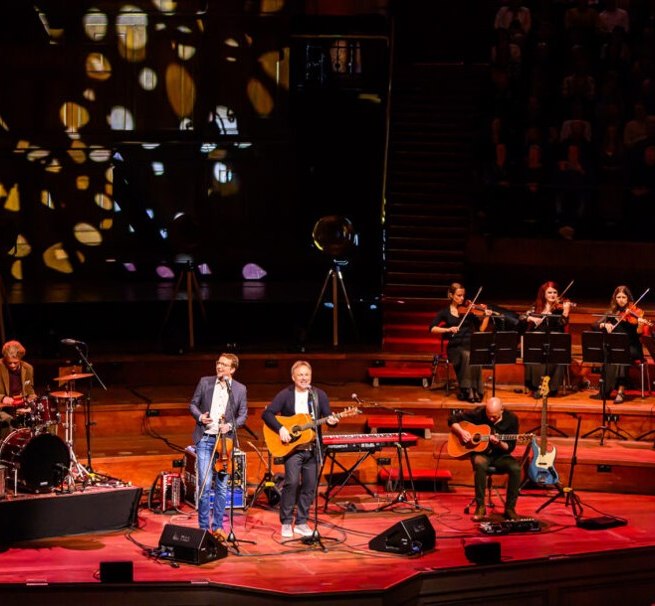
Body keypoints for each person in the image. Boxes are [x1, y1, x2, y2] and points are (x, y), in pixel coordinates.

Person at [262, 360, 338, 538]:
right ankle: (286, 522)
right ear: (293, 377)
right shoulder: (286, 394)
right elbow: (267, 414)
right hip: (293, 449)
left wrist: (332, 421)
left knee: (310, 486)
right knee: (292, 483)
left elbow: (328, 416)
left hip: (313, 448)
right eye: (300, 375)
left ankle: (302, 522)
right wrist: (281, 429)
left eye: (307, 375)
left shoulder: (319, 395)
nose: (304, 378)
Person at [189, 353, 248, 538]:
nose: (219, 367)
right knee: (205, 484)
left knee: (222, 487)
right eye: (218, 363)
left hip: (225, 443)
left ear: (232, 369)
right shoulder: (205, 382)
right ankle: (203, 528)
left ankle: (217, 527)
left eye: (224, 364)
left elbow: (242, 415)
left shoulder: (239, 389)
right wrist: (200, 416)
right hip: (205, 439)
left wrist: (230, 425)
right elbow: (193, 404)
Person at [449, 397, 522, 521]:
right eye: (489, 416)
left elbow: (509, 447)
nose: (491, 419)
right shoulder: (479, 412)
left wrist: (499, 443)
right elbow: (452, 419)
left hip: (500, 455)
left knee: (516, 468)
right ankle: (480, 506)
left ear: (502, 410)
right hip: (481, 454)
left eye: (494, 417)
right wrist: (461, 432)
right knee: (479, 463)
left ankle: (510, 508)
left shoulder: (512, 419)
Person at [429, 283, 492, 403]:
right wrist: (448, 329)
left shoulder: (468, 311)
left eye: (463, 295)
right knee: (467, 355)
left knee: (474, 354)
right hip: (455, 347)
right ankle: (468, 389)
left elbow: (481, 329)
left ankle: (474, 390)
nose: (462, 298)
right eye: (459, 295)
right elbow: (432, 328)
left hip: (470, 344)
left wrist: (486, 316)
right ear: (451, 295)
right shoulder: (445, 312)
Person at [592, 285, 649, 403]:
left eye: (624, 297)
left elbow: (638, 334)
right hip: (617, 347)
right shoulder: (612, 312)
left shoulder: (635, 312)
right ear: (615, 298)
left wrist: (640, 325)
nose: (621, 300)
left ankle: (621, 391)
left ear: (628, 298)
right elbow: (595, 325)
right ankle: (606, 390)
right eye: (618, 297)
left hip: (633, 347)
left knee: (622, 354)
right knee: (613, 353)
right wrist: (604, 324)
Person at [522, 281, 572, 397]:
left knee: (555, 356)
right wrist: (532, 318)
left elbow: (562, 324)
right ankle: (537, 386)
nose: (552, 295)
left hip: (554, 341)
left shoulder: (560, 309)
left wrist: (565, 312)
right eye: (549, 292)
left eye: (555, 292)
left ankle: (549, 387)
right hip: (538, 341)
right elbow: (522, 316)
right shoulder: (537, 307)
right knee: (534, 354)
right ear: (543, 294)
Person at [0, 340, 36, 439]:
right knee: (8, 420)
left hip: (20, 408)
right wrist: (3, 398)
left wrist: (30, 406)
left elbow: (30, 392)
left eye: (15, 362)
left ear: (20, 359)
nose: (12, 365)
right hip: (3, 409)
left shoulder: (28, 368)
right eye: (9, 363)